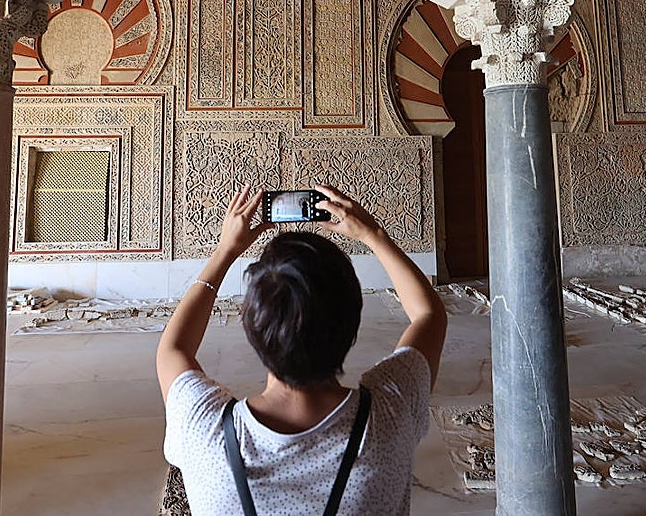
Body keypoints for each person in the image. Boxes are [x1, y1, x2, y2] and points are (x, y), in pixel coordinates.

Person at [156, 184, 447, 515]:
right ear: (352, 323)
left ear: (252, 329)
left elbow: (173, 349)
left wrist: (225, 251)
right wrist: (373, 235)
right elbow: (428, 314)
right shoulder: (390, 414)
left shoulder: (203, 429)